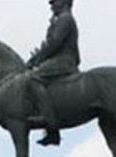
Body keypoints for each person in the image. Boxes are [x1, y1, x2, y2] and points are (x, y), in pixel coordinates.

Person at [25, 0, 80, 146]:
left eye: (54, 2)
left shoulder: (65, 19)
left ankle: (47, 118)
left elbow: (53, 44)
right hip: (59, 60)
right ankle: (52, 133)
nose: (51, 6)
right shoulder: (60, 19)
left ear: (63, 2)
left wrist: (34, 61)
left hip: (63, 61)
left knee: (33, 78)